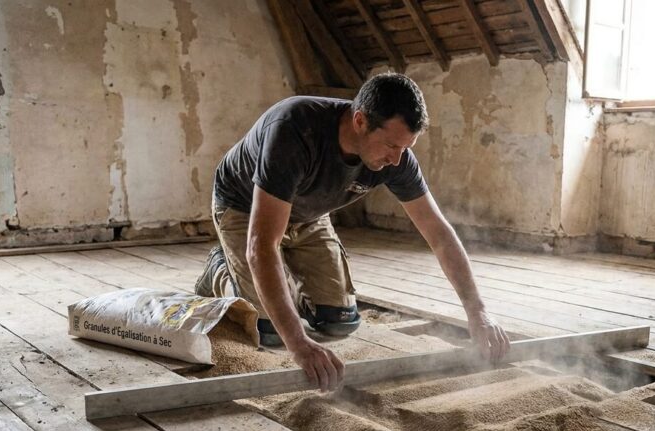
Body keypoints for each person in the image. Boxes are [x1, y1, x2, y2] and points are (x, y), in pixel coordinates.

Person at [195, 73, 510, 390]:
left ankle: (284, 279)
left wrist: (478, 312)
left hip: (308, 213)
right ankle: (221, 265)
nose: (396, 159)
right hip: (245, 206)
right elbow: (260, 245)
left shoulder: (396, 158)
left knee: (339, 321)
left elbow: (440, 236)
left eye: (405, 148)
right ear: (360, 121)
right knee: (269, 330)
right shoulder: (293, 128)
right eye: (390, 145)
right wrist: (300, 344)